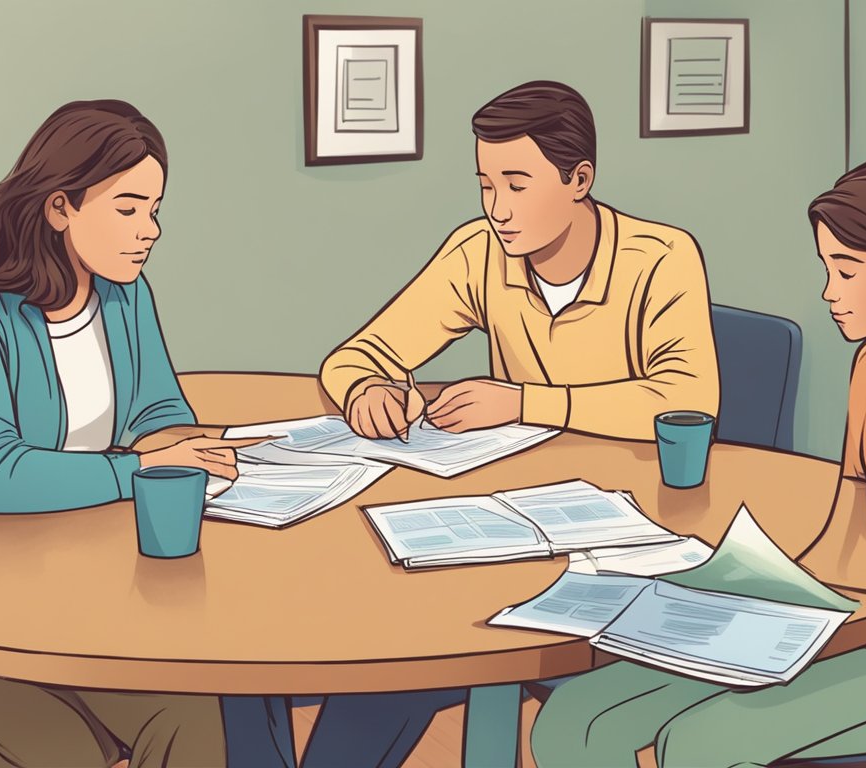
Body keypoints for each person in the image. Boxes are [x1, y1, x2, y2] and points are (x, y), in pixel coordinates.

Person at [530, 157, 866, 767]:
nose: (829, 293)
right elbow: (853, 522)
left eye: (847, 270)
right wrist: (779, 595)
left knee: (701, 745)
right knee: (576, 721)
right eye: (826, 268)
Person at [300, 80, 721, 767]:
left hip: (633, 540)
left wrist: (525, 400)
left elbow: (687, 403)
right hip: (513, 529)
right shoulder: (479, 253)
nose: (496, 209)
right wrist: (366, 391)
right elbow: (354, 355)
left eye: (517, 185)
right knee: (382, 658)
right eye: (485, 184)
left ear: (579, 179)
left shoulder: (661, 258)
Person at [0, 99, 291, 768]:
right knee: (71, 753)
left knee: (191, 712)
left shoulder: (124, 295)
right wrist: (141, 468)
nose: (149, 230)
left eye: (153, 209)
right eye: (128, 209)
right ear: (60, 207)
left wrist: (177, 445)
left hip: (67, 593)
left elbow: (160, 411)